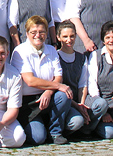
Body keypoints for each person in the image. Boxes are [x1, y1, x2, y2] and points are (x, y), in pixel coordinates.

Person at [9, 15, 73, 145]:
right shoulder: (20, 51)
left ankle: (55, 132)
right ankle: (40, 125)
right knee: (38, 138)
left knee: (64, 95)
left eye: (42, 32)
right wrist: (55, 86)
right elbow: (30, 81)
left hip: (48, 97)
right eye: (34, 32)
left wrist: (49, 91)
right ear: (27, 34)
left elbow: (58, 77)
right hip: (28, 102)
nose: (38, 35)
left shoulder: (51, 50)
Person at [56, 21, 102, 136]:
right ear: (58, 37)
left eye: (72, 36)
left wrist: (81, 104)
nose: (69, 40)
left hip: (78, 99)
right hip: (65, 101)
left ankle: (87, 128)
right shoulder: (55, 56)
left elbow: (83, 85)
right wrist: (77, 106)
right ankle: (68, 130)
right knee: (77, 121)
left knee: (101, 104)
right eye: (65, 36)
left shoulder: (81, 58)